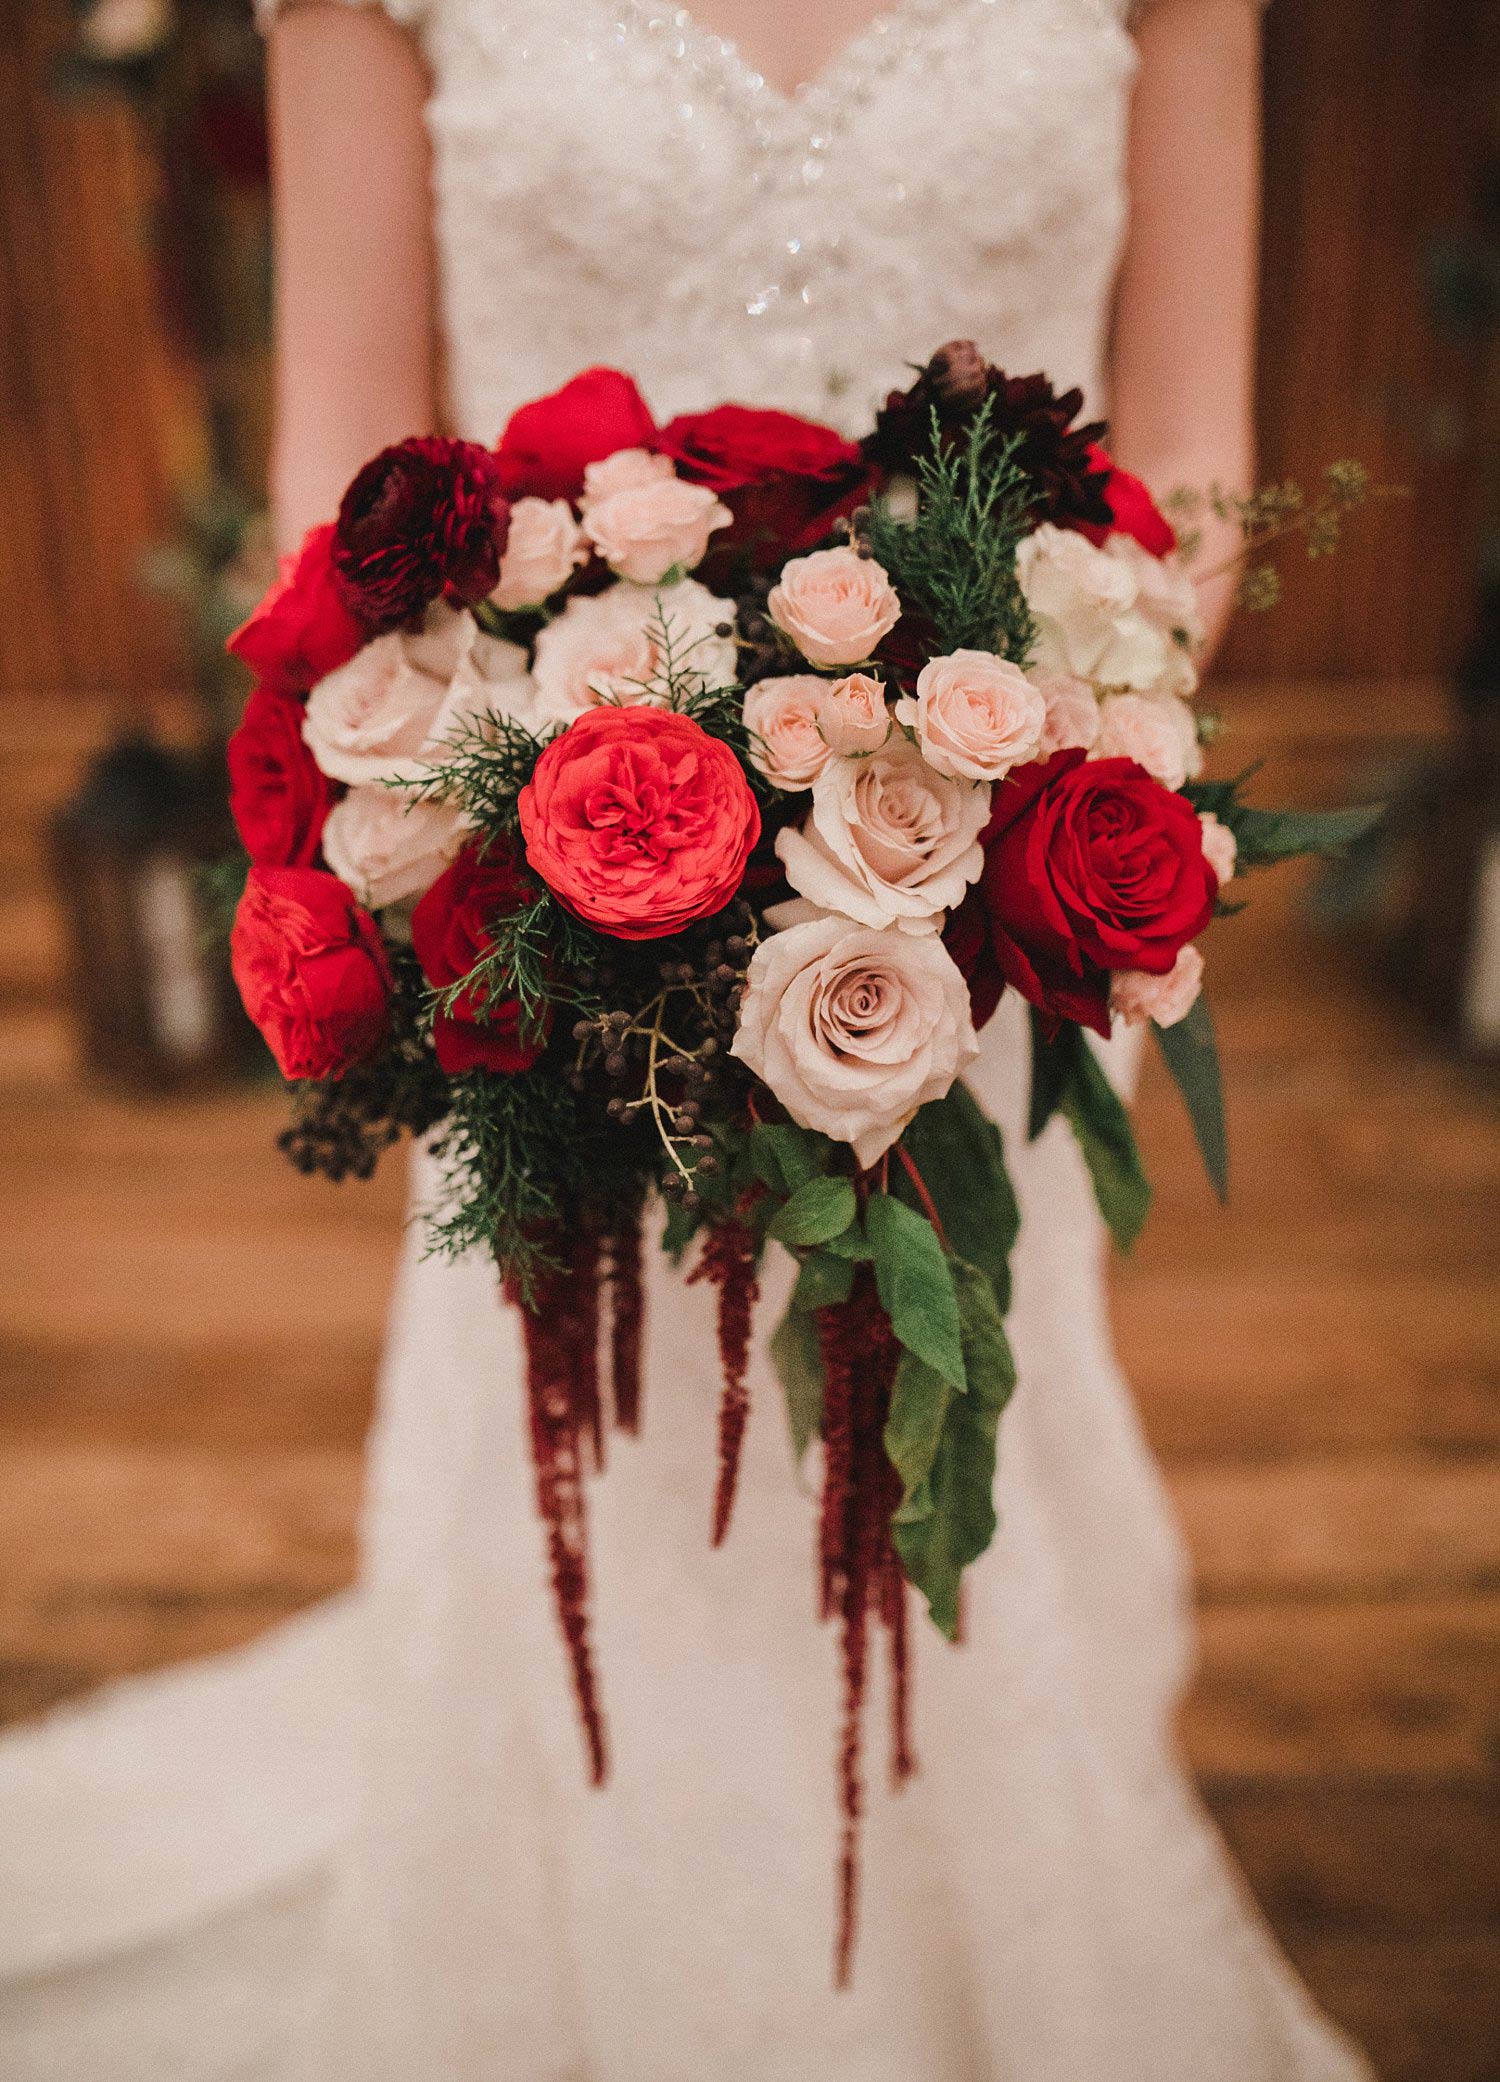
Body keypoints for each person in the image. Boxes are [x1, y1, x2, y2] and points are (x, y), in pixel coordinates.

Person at [0, 3, 1377, 2077]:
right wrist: (553, 827)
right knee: (601, 1454)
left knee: (941, 1415)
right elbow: (342, 474)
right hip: (556, 903)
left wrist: (962, 804)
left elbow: (1191, 475)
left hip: (955, 876)